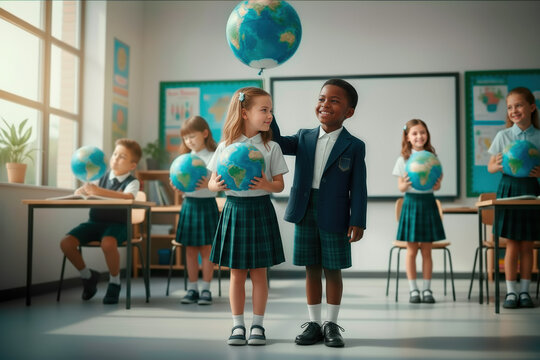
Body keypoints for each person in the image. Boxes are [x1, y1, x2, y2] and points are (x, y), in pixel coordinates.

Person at [270, 79, 367, 348]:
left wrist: (358, 220)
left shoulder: (354, 145)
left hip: (336, 215)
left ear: (349, 111)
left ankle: (331, 325)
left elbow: (359, 187)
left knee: (333, 269)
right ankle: (313, 324)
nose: (325, 104)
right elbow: (276, 140)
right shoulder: (303, 137)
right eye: (322, 98)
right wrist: (269, 111)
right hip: (304, 210)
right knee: (311, 269)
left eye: (334, 101)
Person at [207, 87, 288, 346]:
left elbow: (279, 186)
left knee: (259, 273)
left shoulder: (271, 146)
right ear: (244, 113)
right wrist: (216, 186)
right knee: (237, 274)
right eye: (264, 110)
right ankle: (238, 325)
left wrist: (265, 185)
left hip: (260, 209)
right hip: (234, 209)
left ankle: (258, 326)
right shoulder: (225, 147)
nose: (269, 116)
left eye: (271, 111)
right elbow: (210, 184)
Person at [59, 138, 142, 304]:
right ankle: (88, 276)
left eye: (122, 157)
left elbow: (128, 197)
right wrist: (80, 191)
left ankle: (115, 282)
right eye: (114, 154)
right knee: (66, 243)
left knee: (108, 244)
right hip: (94, 223)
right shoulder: (99, 177)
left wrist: (99, 191)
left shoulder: (132, 182)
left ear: (132, 165)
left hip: (118, 225)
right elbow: (86, 191)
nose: (115, 159)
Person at [487, 86, 540, 309]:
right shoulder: (503, 136)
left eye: (518, 105)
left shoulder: (539, 136)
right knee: (511, 244)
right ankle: (510, 293)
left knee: (527, 244)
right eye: (509, 107)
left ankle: (525, 292)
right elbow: (490, 166)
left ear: (531, 107)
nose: (514, 110)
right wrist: (497, 164)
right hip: (508, 189)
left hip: (530, 189)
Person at [392, 119, 445, 305]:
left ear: (427, 135)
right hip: (411, 204)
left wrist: (438, 184)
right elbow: (400, 187)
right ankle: (414, 290)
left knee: (427, 252)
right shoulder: (403, 159)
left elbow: (437, 184)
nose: (419, 136)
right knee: (412, 251)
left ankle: (427, 289)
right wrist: (405, 184)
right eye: (414, 133)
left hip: (428, 203)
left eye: (422, 132)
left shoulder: (432, 157)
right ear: (407, 137)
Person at [170, 116, 219, 305]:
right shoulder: (183, 159)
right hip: (189, 205)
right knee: (190, 250)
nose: (189, 141)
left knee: (207, 250)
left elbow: (220, 183)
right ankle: (192, 289)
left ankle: (206, 289)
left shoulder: (214, 156)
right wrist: (178, 187)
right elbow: (180, 181)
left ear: (205, 133)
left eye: (192, 136)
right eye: (185, 138)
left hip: (207, 205)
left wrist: (209, 184)